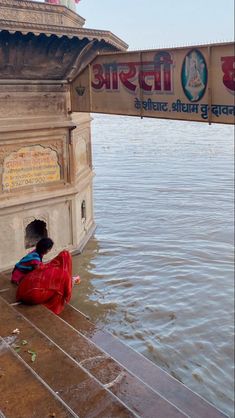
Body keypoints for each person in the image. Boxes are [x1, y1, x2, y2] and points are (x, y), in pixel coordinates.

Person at [11, 238, 80, 315]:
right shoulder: (63, 274)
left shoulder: (41, 260)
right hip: (21, 282)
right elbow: (67, 294)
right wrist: (71, 282)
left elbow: (41, 271)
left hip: (21, 292)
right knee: (59, 290)